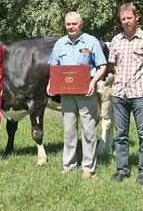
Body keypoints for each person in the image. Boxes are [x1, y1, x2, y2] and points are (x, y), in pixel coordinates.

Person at [47, 12, 107, 179]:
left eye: (74, 23)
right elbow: (54, 67)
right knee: (69, 130)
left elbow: (102, 66)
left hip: (86, 93)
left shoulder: (91, 41)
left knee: (88, 131)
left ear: (81, 25)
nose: (71, 27)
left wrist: (93, 82)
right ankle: (69, 164)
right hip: (66, 95)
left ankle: (88, 167)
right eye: (68, 24)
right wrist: (50, 84)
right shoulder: (60, 43)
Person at [109, 3, 143, 185]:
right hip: (119, 94)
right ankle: (122, 170)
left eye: (129, 18)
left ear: (136, 17)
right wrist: (122, 80)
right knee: (120, 135)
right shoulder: (116, 40)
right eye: (123, 19)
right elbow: (113, 66)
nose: (126, 22)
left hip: (141, 94)